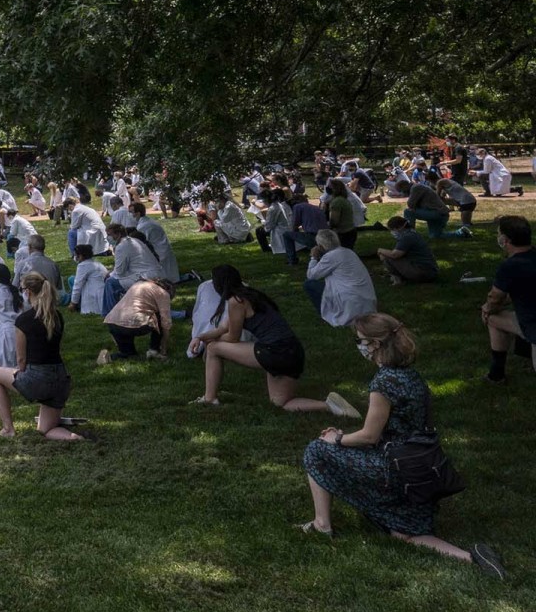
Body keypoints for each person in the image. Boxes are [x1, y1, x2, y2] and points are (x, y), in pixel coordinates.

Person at [301, 314, 504, 577]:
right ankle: (472, 558)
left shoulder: (383, 382)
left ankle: (321, 524)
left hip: (396, 470)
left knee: (316, 451)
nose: (359, 345)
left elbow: (369, 437)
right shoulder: (410, 375)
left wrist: (337, 438)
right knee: (403, 533)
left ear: (375, 344)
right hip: (421, 469)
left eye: (361, 340)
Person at [191, 265, 360, 417]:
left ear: (219, 285)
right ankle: (331, 406)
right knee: (281, 403)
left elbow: (232, 338)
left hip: (275, 351)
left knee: (213, 348)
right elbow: (222, 328)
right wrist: (199, 337)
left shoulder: (236, 301)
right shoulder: (250, 294)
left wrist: (209, 342)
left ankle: (210, 398)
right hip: (292, 351)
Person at [0, 273, 81, 440]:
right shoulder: (56, 316)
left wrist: (19, 374)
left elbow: (21, 360)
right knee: (46, 430)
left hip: (37, 379)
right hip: (60, 379)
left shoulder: (24, 320)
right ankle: (75, 437)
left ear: (28, 292)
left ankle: (8, 428)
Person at [482, 214, 536, 384]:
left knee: (492, 317)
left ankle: (497, 373)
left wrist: (487, 308)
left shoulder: (510, 266)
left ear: (505, 240)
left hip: (533, 327)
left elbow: (496, 297)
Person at [305, 228, 378, 326]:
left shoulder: (330, 256)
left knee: (309, 284)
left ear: (320, 246)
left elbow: (311, 275)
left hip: (351, 302)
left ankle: (324, 315)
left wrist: (313, 257)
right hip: (367, 300)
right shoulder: (349, 252)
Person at [101, 278, 174, 361]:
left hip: (113, 322)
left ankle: (110, 357)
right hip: (134, 323)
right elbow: (166, 323)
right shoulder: (163, 293)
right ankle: (154, 351)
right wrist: (163, 349)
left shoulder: (138, 284)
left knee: (128, 354)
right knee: (159, 317)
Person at [374, 216, 439, 286]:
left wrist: (380, 250)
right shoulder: (412, 233)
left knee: (387, 256)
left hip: (424, 273)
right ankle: (400, 276)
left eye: (393, 230)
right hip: (431, 271)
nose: (392, 232)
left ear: (399, 228)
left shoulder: (406, 237)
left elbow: (394, 255)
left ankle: (397, 280)